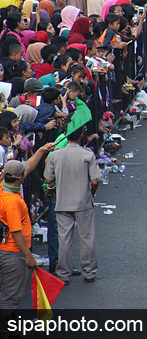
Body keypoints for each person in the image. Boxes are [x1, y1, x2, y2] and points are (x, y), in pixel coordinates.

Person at [44, 123, 100, 284]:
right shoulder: (87, 154)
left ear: (67, 136)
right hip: (83, 201)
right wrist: (91, 193)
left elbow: (48, 178)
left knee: (64, 238)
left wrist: (52, 188)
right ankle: (89, 272)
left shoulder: (56, 155)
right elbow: (95, 180)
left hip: (62, 201)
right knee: (87, 237)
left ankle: (63, 273)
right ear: (81, 136)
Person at [0, 149, 52, 319]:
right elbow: (16, 232)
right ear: (20, 178)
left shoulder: (2, 187)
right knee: (10, 298)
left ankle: (12, 330)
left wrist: (43, 149)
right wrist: (28, 256)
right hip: (12, 252)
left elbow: (27, 167)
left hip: (5, 248)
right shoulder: (12, 202)